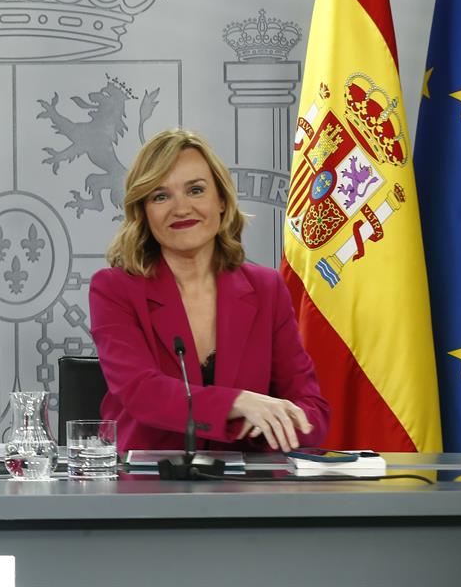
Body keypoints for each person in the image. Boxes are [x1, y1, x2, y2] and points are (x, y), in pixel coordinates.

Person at [89, 128, 328, 453]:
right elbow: (143, 395)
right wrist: (240, 404)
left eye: (196, 190)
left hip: (247, 491)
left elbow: (312, 411)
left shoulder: (266, 288)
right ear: (144, 212)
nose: (181, 208)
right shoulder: (114, 288)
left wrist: (269, 421)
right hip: (148, 487)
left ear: (221, 201)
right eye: (160, 196)